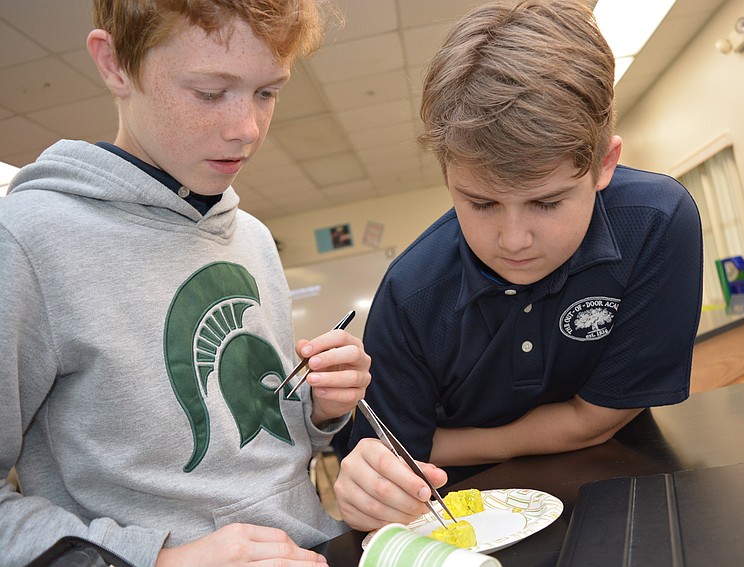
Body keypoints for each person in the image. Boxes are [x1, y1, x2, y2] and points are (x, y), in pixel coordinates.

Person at [0, 1, 444, 565]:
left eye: (267, 92)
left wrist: (320, 407)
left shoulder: (252, 237)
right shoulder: (26, 241)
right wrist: (162, 561)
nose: (248, 129)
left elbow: (257, 440)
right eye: (210, 92)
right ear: (114, 65)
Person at [339, 0, 703, 505]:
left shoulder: (655, 223)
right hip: (465, 509)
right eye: (482, 203)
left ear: (605, 164)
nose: (513, 240)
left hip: (623, 482)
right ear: (447, 175)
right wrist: (370, 488)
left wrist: (443, 443)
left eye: (547, 202)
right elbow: (393, 466)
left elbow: (598, 422)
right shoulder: (410, 295)